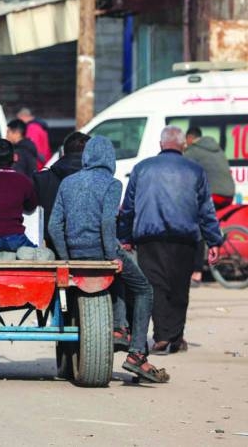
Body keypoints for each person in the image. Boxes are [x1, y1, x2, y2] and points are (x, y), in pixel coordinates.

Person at [48, 136, 169, 382]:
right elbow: (106, 222)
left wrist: (67, 257)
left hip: (75, 253)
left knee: (121, 278)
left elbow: (53, 225)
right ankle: (136, 352)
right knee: (144, 289)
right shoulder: (112, 184)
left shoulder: (68, 183)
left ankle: (119, 327)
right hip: (101, 251)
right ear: (110, 158)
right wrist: (112, 256)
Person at [119, 126, 224, 355]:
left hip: (149, 237)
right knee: (178, 287)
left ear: (160, 144)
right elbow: (206, 210)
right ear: (183, 145)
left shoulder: (142, 168)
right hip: (184, 239)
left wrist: (125, 237)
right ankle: (173, 337)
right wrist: (214, 241)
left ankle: (163, 336)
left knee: (154, 286)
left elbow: (128, 207)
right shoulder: (196, 170)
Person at [184, 125, 235, 284]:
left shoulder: (193, 151)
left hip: (214, 193)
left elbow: (183, 171)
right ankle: (216, 235)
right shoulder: (216, 148)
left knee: (197, 225)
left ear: (190, 138)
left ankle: (197, 272)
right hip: (228, 193)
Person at [0, 139, 40, 257]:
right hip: (15, 238)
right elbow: (32, 205)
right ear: (14, 158)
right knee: (36, 252)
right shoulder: (23, 180)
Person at [33, 131, 90, 244]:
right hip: (88, 245)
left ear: (62, 152)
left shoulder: (41, 179)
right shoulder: (99, 181)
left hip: (49, 243)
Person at [184, 126, 235, 210]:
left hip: (213, 196)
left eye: (186, 140)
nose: (185, 142)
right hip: (229, 195)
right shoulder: (218, 150)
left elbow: (180, 169)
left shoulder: (192, 151)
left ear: (190, 137)